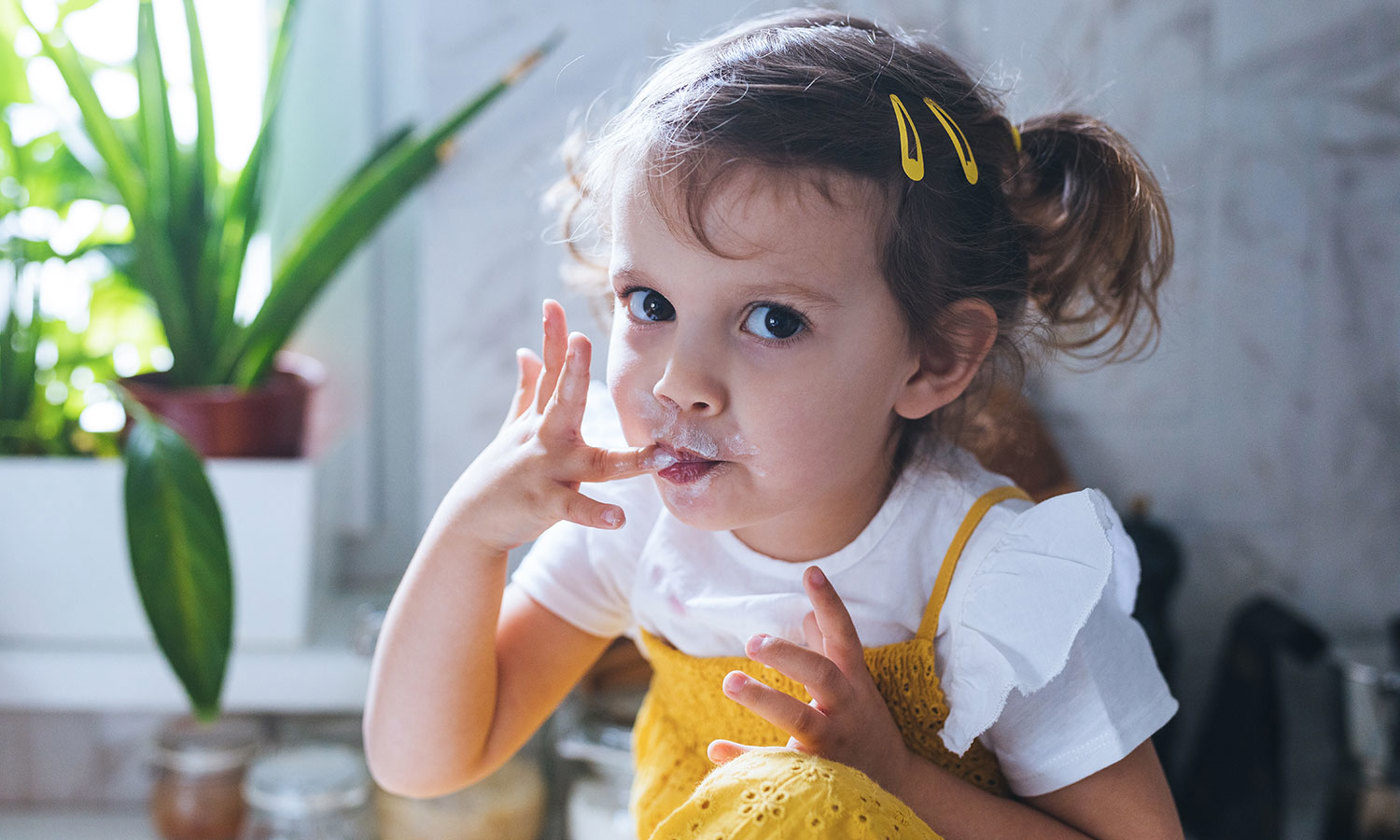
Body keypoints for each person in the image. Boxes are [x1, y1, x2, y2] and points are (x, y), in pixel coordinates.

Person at [364, 8, 1184, 839]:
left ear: (934, 356)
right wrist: (471, 532)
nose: (683, 383)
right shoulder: (631, 518)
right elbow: (423, 762)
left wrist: (895, 779)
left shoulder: (995, 581)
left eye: (774, 322)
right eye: (650, 304)